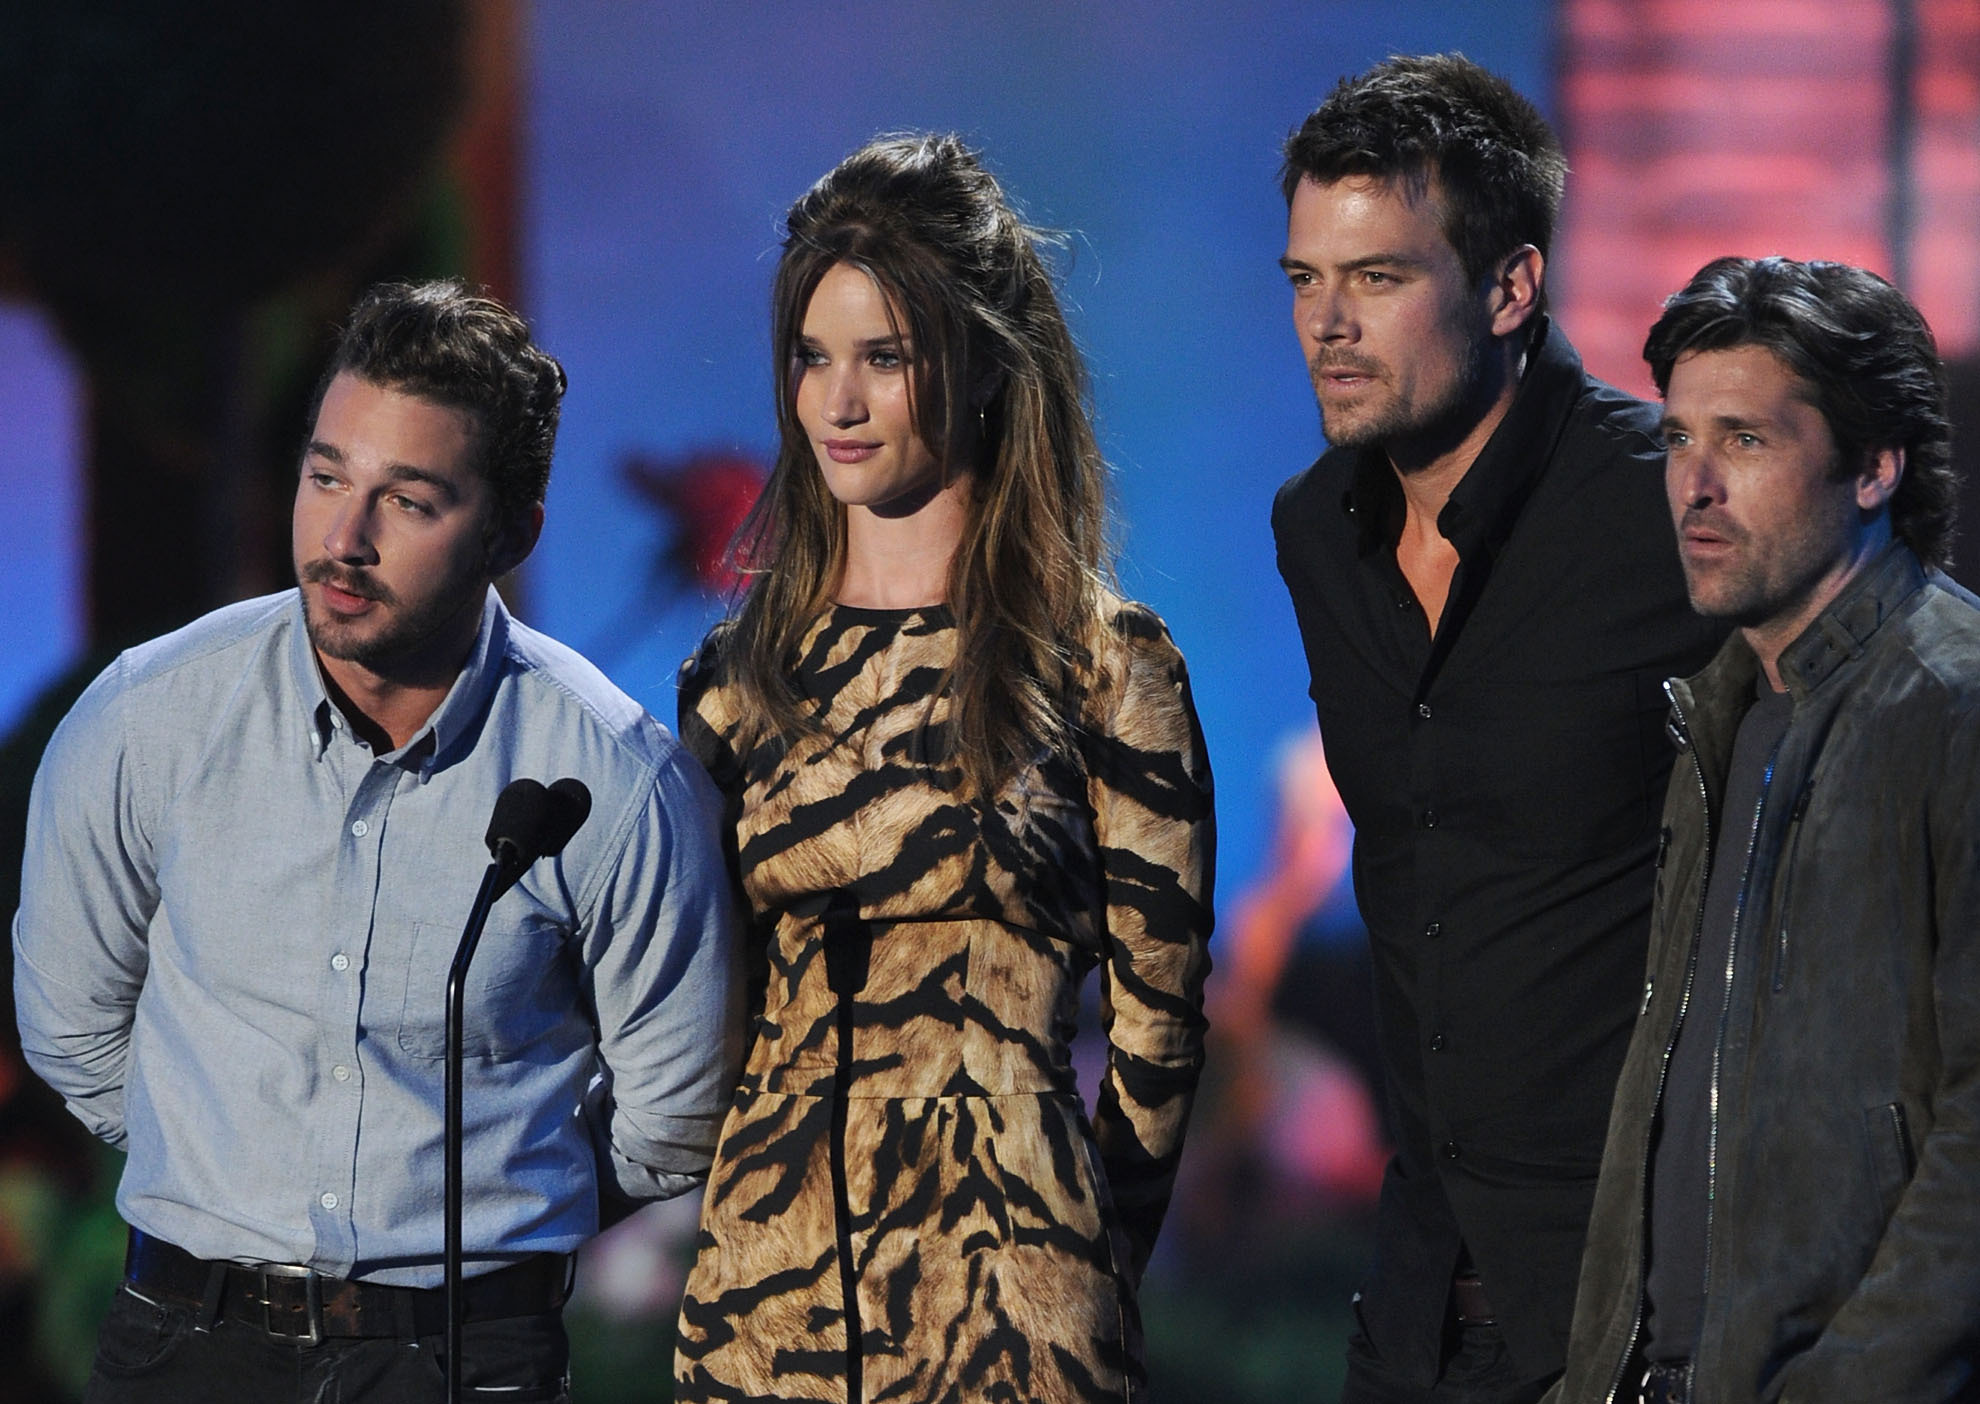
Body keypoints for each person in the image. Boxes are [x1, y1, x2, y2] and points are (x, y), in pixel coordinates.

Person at [12, 280, 745, 1402]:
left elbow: (675, 1112)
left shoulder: (615, 777)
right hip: (180, 1350)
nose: (343, 539)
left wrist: (503, 1202)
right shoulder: (145, 715)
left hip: (467, 1359)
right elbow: (70, 1023)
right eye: (325, 477)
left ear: (511, 532)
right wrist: (213, 1160)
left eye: (407, 502)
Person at [670, 133, 1215, 1404]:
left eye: (885, 357)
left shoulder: (1102, 665)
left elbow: (1158, 1033)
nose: (838, 403)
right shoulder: (737, 681)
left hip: (1016, 1319)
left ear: (973, 365)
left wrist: (1065, 1256)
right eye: (813, 358)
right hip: (763, 1309)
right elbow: (710, 1015)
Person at [1269, 54, 1725, 1402]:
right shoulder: (1318, 531)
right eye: (1305, 278)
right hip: (1418, 1302)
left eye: (1380, 278)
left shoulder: (1669, 515)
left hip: (1651, 1315)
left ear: (1513, 286)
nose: (1326, 325)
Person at [1549, 257, 1978, 1404]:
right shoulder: (1718, 717)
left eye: (1742, 440)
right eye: (1679, 439)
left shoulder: (1955, 704)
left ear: (1875, 467)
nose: (1693, 485)